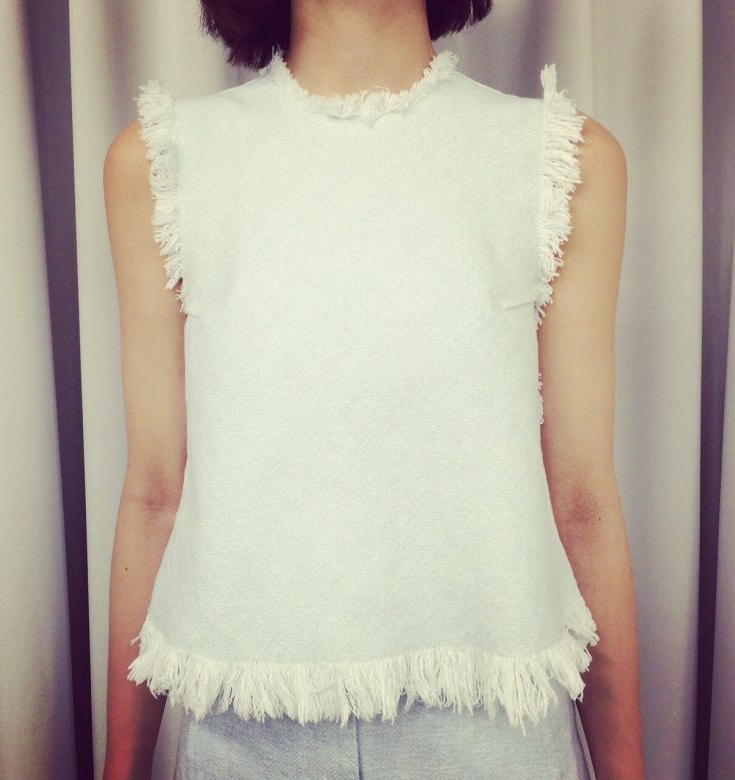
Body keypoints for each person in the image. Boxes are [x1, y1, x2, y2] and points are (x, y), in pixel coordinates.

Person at [102, 1, 645, 778]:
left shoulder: (559, 159)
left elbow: (583, 502)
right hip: (245, 731)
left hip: (495, 732)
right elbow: (156, 492)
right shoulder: (164, 161)